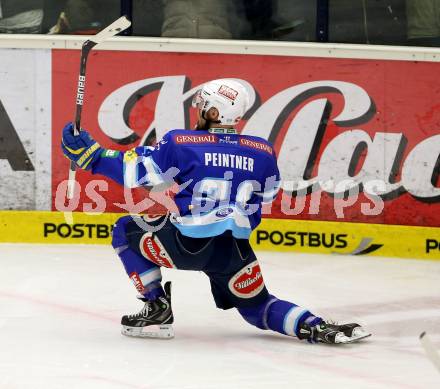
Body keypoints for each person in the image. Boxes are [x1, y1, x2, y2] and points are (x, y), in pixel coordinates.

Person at [61, 79, 370, 344]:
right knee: (257, 308)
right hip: (233, 251)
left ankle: (156, 308)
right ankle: (315, 327)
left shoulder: (182, 142)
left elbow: (138, 173)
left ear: (212, 112)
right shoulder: (262, 151)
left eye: (202, 107)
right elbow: (267, 194)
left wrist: (92, 156)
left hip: (185, 246)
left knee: (125, 229)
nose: (198, 113)